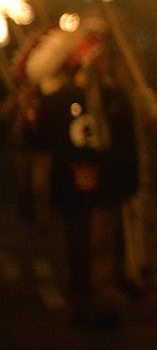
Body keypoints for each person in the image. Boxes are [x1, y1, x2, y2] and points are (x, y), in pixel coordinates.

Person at [22, 17, 138, 329]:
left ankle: (104, 302)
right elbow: (41, 142)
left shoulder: (116, 100)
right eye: (97, 61)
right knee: (78, 247)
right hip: (71, 188)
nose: (103, 67)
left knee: (103, 245)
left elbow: (126, 145)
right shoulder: (57, 101)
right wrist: (30, 118)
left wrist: (128, 183)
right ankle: (83, 302)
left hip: (106, 188)